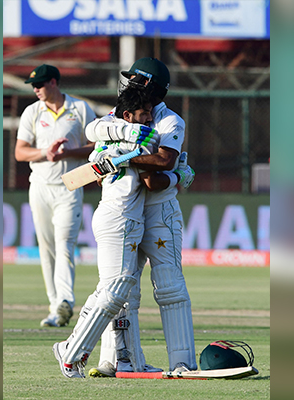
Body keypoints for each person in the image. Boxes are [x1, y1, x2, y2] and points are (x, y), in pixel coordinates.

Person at [85, 58, 197, 375]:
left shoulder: (169, 121)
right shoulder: (125, 113)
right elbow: (92, 129)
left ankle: (182, 363)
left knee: (170, 287)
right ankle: (117, 360)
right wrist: (111, 150)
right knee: (122, 288)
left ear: (147, 84)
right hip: (128, 212)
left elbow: (162, 162)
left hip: (159, 210)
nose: (127, 84)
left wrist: (121, 159)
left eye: (133, 79)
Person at [52, 86, 167, 378]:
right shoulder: (135, 137)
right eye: (144, 113)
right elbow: (157, 167)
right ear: (128, 115)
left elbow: (97, 133)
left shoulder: (113, 135)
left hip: (121, 215)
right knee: (116, 289)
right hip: (119, 216)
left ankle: (126, 360)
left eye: (151, 112)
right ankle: (71, 351)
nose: (150, 119)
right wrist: (177, 172)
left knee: (113, 289)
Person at [15, 64, 96, 327]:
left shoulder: (80, 109)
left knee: (64, 244)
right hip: (39, 185)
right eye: (33, 86)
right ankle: (54, 307)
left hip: (69, 185)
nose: (35, 89)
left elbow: (97, 146)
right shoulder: (32, 112)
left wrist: (67, 153)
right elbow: (20, 152)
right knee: (46, 247)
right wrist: (45, 153)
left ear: (53, 82)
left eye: (39, 84)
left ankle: (65, 301)